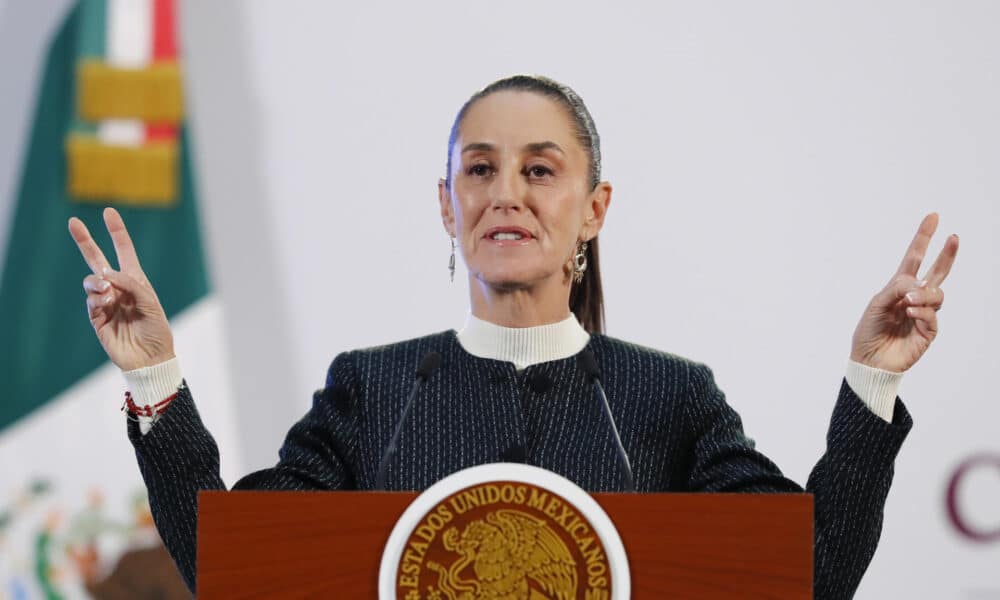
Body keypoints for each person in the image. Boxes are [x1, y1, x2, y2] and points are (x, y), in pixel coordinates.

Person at [68, 75, 958, 599]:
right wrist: (155, 379)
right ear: (446, 205)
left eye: (541, 170)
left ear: (594, 210)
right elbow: (235, 568)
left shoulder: (669, 398)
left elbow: (811, 571)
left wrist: (870, 385)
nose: (508, 193)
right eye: (481, 169)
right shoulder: (370, 391)